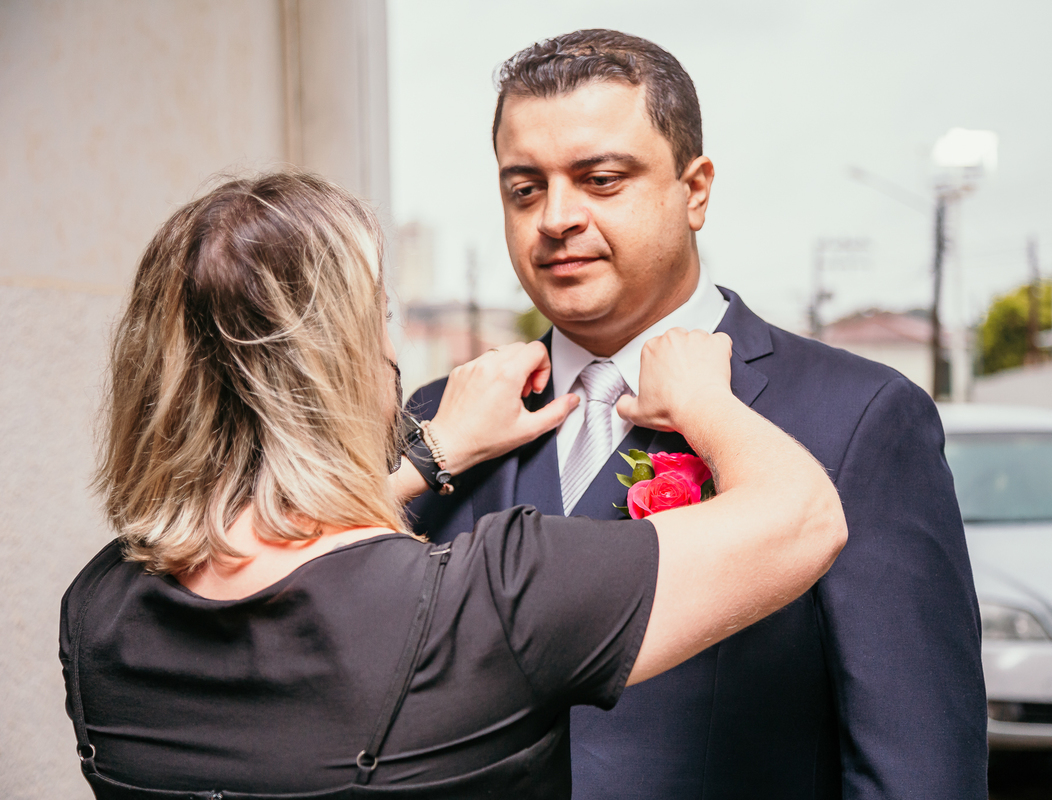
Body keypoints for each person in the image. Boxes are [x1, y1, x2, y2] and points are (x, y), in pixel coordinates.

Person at [59, 172, 846, 798]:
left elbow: (276, 548)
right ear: (343, 365)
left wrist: (431, 454)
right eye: (379, 319)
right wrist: (708, 404)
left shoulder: (97, 609)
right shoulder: (491, 602)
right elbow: (804, 517)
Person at [406, 29, 988, 800]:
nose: (556, 217)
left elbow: (919, 766)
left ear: (696, 190)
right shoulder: (438, 423)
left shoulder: (859, 419)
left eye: (601, 180)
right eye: (525, 189)